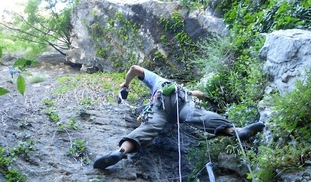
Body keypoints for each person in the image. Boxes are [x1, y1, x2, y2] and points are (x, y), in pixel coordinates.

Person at [93, 65, 264, 169]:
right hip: (182, 102)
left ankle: (120, 151)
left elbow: (134, 69)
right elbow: (200, 94)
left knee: (148, 128)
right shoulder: (183, 89)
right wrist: (205, 96)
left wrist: (126, 84)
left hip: (160, 106)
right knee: (200, 116)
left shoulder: (158, 81)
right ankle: (236, 131)